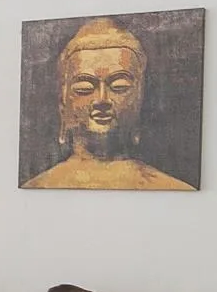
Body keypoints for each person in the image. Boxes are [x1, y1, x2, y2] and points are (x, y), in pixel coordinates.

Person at [25, 16, 193, 190]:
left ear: (139, 98)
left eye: (119, 86)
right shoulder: (40, 185)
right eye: (84, 87)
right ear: (63, 103)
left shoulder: (168, 187)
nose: (102, 99)